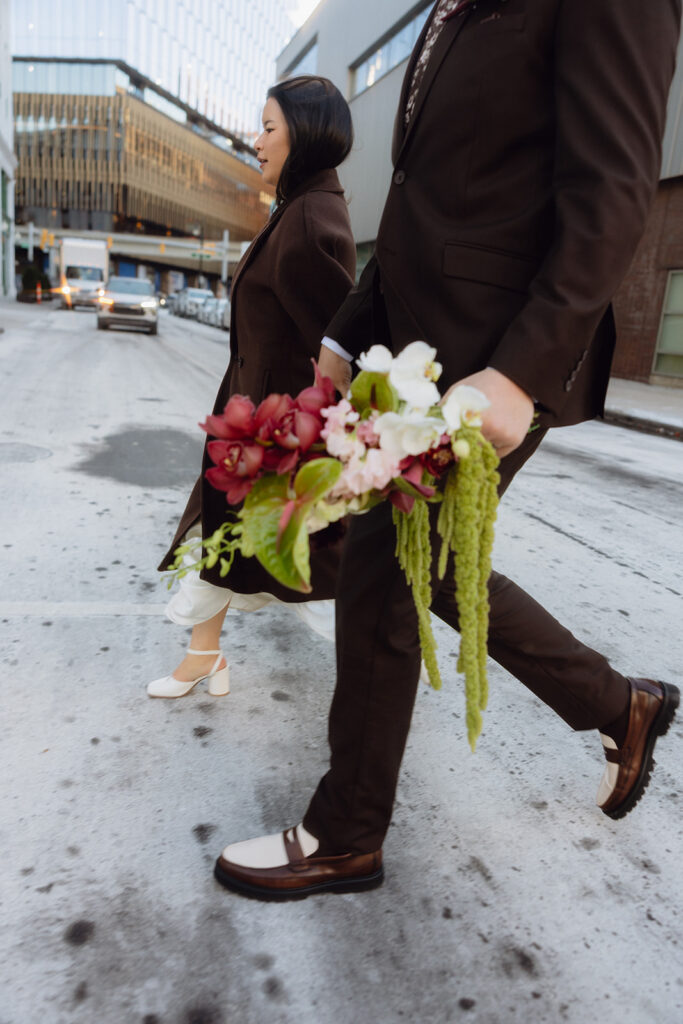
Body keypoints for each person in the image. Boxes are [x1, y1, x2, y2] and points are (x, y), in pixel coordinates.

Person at [212, 0, 682, 900]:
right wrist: (349, 334)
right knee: (417, 569)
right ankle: (619, 705)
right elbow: (429, 201)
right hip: (412, 353)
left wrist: (522, 369)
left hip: (491, 361)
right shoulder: (448, 14)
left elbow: (614, 188)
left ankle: (347, 833)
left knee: (383, 574)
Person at [148, 76, 355, 699]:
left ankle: (384, 678)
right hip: (249, 421)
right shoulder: (294, 207)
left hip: (279, 433)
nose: (255, 140)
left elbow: (339, 349)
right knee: (215, 535)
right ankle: (203, 655)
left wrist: (313, 443)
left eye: (268, 127)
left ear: (306, 132)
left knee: (322, 567)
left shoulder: (314, 218)